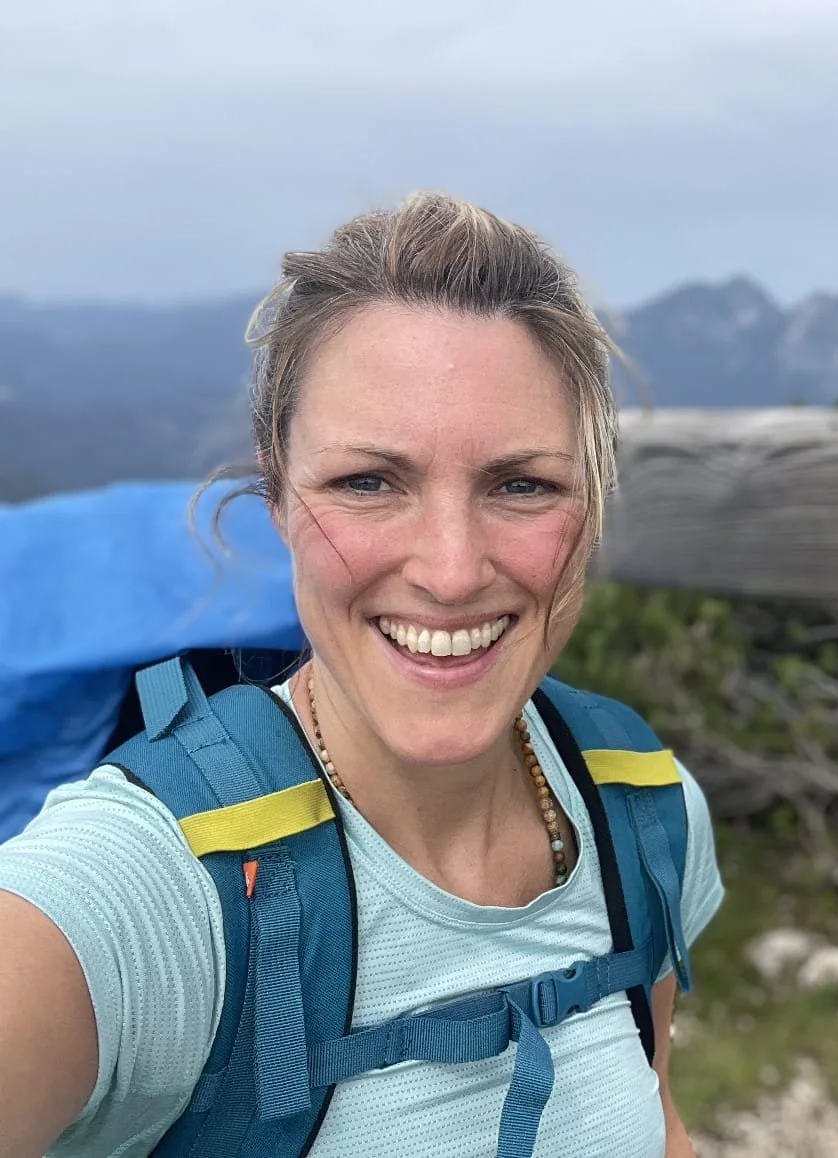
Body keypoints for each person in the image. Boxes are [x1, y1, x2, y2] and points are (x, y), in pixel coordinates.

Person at [0, 192, 723, 1158]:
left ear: (589, 505)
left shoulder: (642, 807)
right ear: (277, 499)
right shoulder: (154, 889)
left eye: (522, 485)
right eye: (368, 483)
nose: (452, 571)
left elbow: (659, 1115)